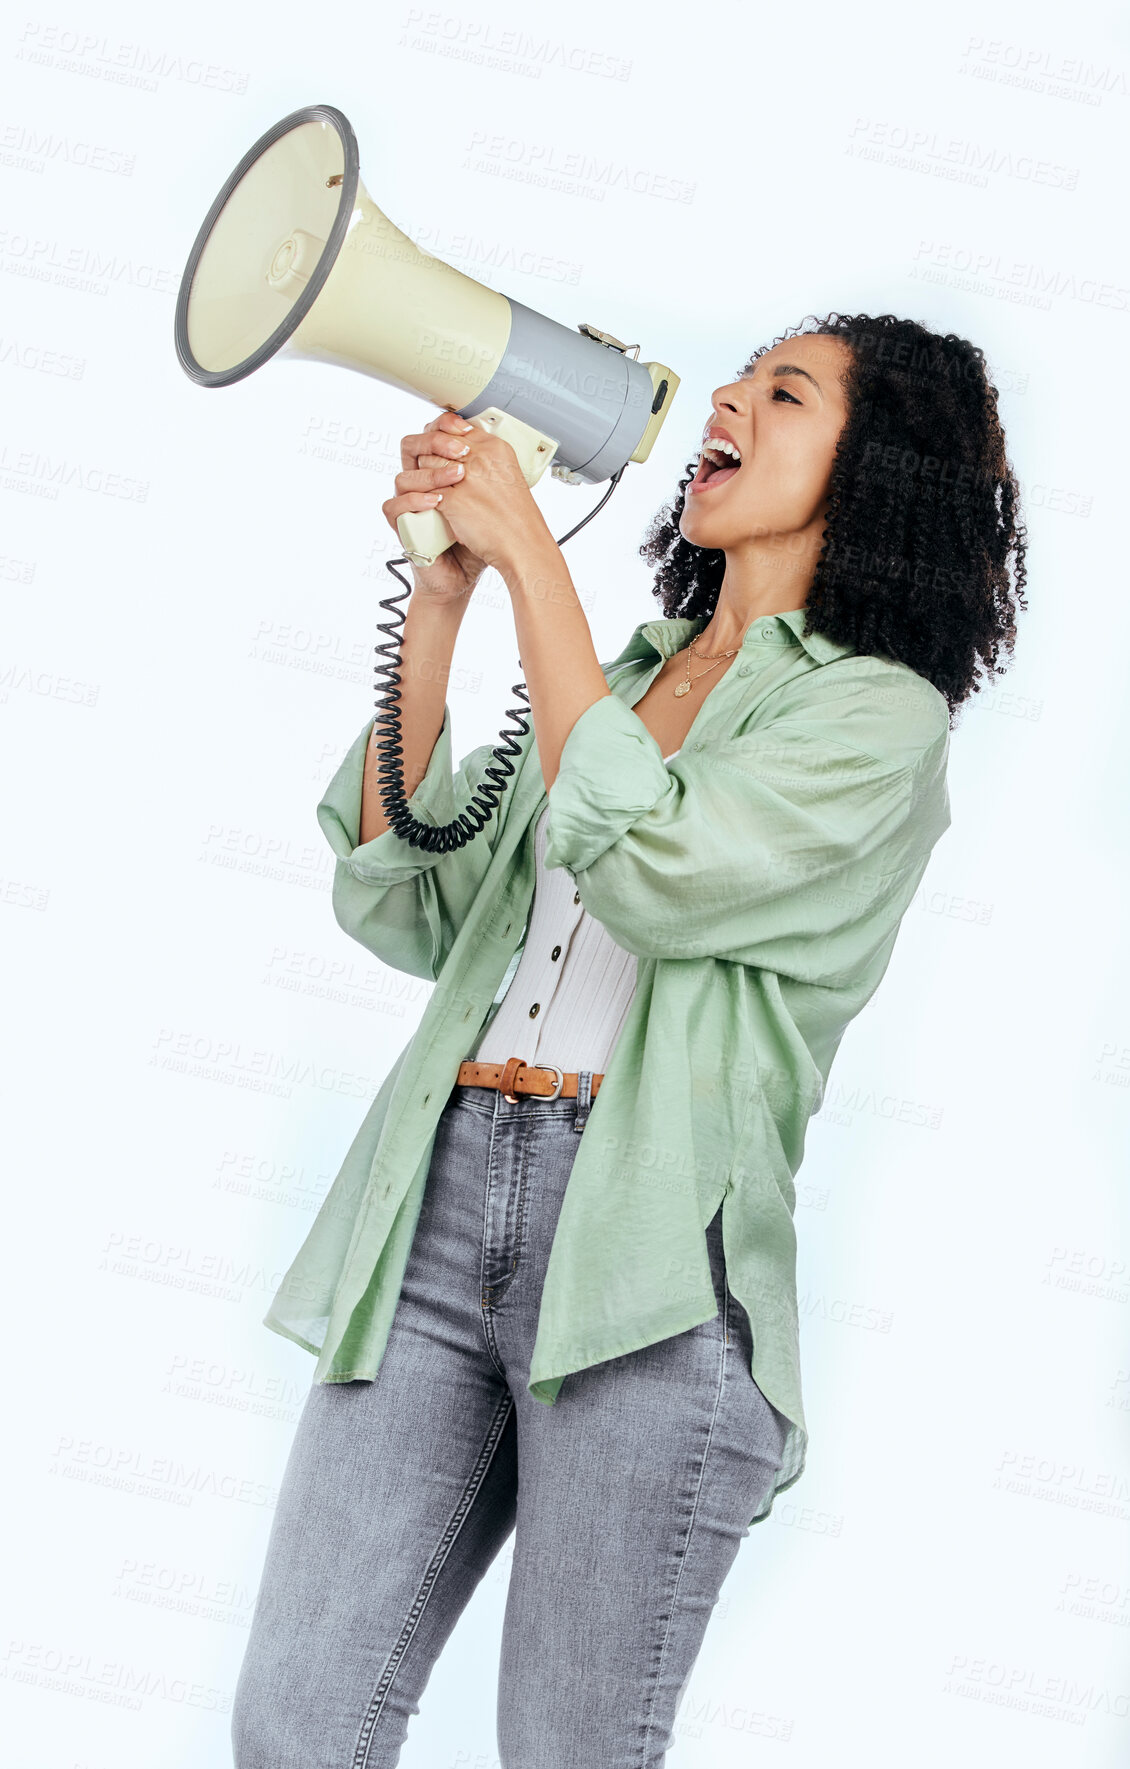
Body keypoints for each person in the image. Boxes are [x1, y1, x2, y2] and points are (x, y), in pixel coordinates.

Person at [231, 312, 1027, 1768]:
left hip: (652, 1267)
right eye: (736, 377)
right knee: (296, 1724)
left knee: (565, 1752)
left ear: (876, 473)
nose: (726, 400)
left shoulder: (875, 721)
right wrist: (454, 596)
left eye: (782, 393)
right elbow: (411, 900)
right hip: (441, 1197)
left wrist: (536, 554)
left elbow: (652, 865)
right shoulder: (628, 671)